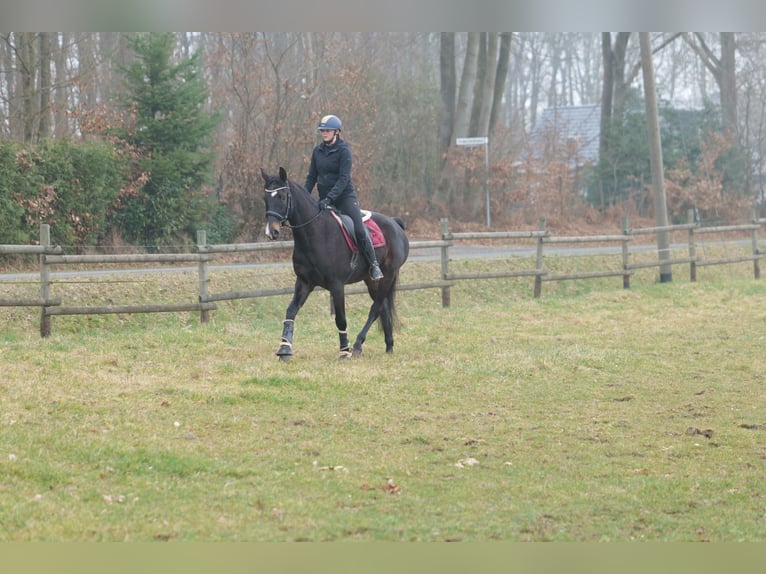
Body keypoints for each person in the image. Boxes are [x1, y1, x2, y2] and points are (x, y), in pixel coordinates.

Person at [304, 114, 384, 281]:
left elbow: (343, 179)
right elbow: (312, 177)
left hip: (345, 198)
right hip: (324, 199)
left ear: (337, 132)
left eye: (327, 130)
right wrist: (305, 196)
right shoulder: (317, 151)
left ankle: (373, 264)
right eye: (322, 130)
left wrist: (330, 198)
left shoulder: (344, 150)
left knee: (359, 229)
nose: (324, 133)